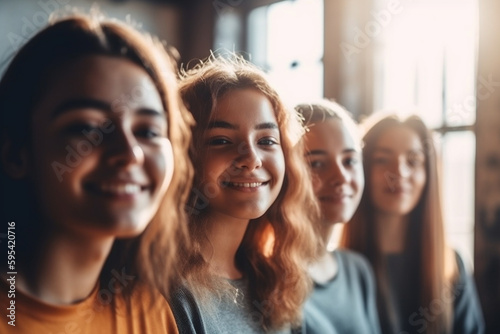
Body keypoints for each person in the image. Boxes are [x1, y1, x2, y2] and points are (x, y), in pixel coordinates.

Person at [0, 13, 193, 333]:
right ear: (15, 154)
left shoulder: (149, 312)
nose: (130, 153)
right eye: (87, 127)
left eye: (147, 131)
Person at [169, 54, 319, 333]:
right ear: (184, 154)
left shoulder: (277, 283)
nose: (251, 158)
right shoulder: (172, 293)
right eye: (221, 140)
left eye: (266, 141)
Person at [340, 113, 485, 334]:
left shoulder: (453, 267)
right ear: (362, 169)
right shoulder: (338, 269)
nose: (399, 172)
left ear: (429, 174)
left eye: (413, 161)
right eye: (382, 159)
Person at [295, 100, 381, 334]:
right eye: (317, 163)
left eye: (349, 161)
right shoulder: (268, 280)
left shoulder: (358, 270)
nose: (341, 177)